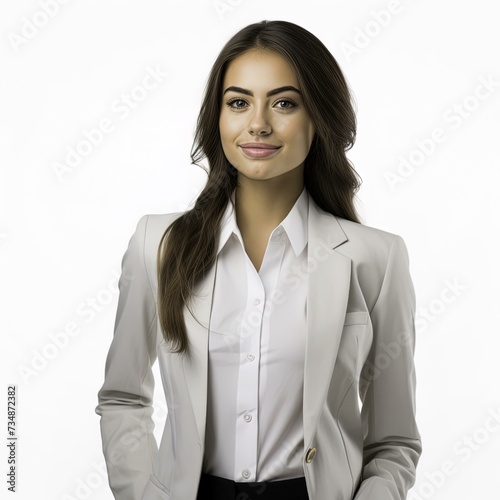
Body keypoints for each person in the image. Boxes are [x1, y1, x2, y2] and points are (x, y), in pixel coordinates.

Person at [95, 19, 422, 500]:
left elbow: (394, 441)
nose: (258, 123)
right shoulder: (158, 244)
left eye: (284, 103)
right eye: (238, 102)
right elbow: (123, 396)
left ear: (319, 118)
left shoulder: (374, 258)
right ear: (218, 117)